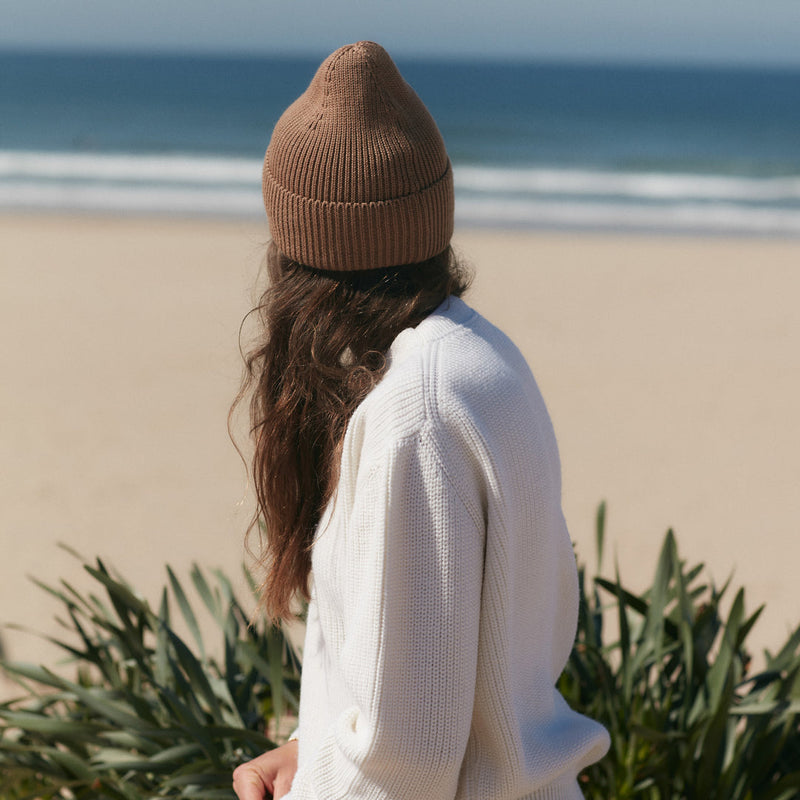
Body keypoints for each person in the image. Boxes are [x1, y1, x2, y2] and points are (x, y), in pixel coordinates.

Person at [232, 41, 609, 800]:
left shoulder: (418, 413)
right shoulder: (475, 356)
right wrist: (310, 749)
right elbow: (441, 683)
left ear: (300, 254)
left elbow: (405, 763)